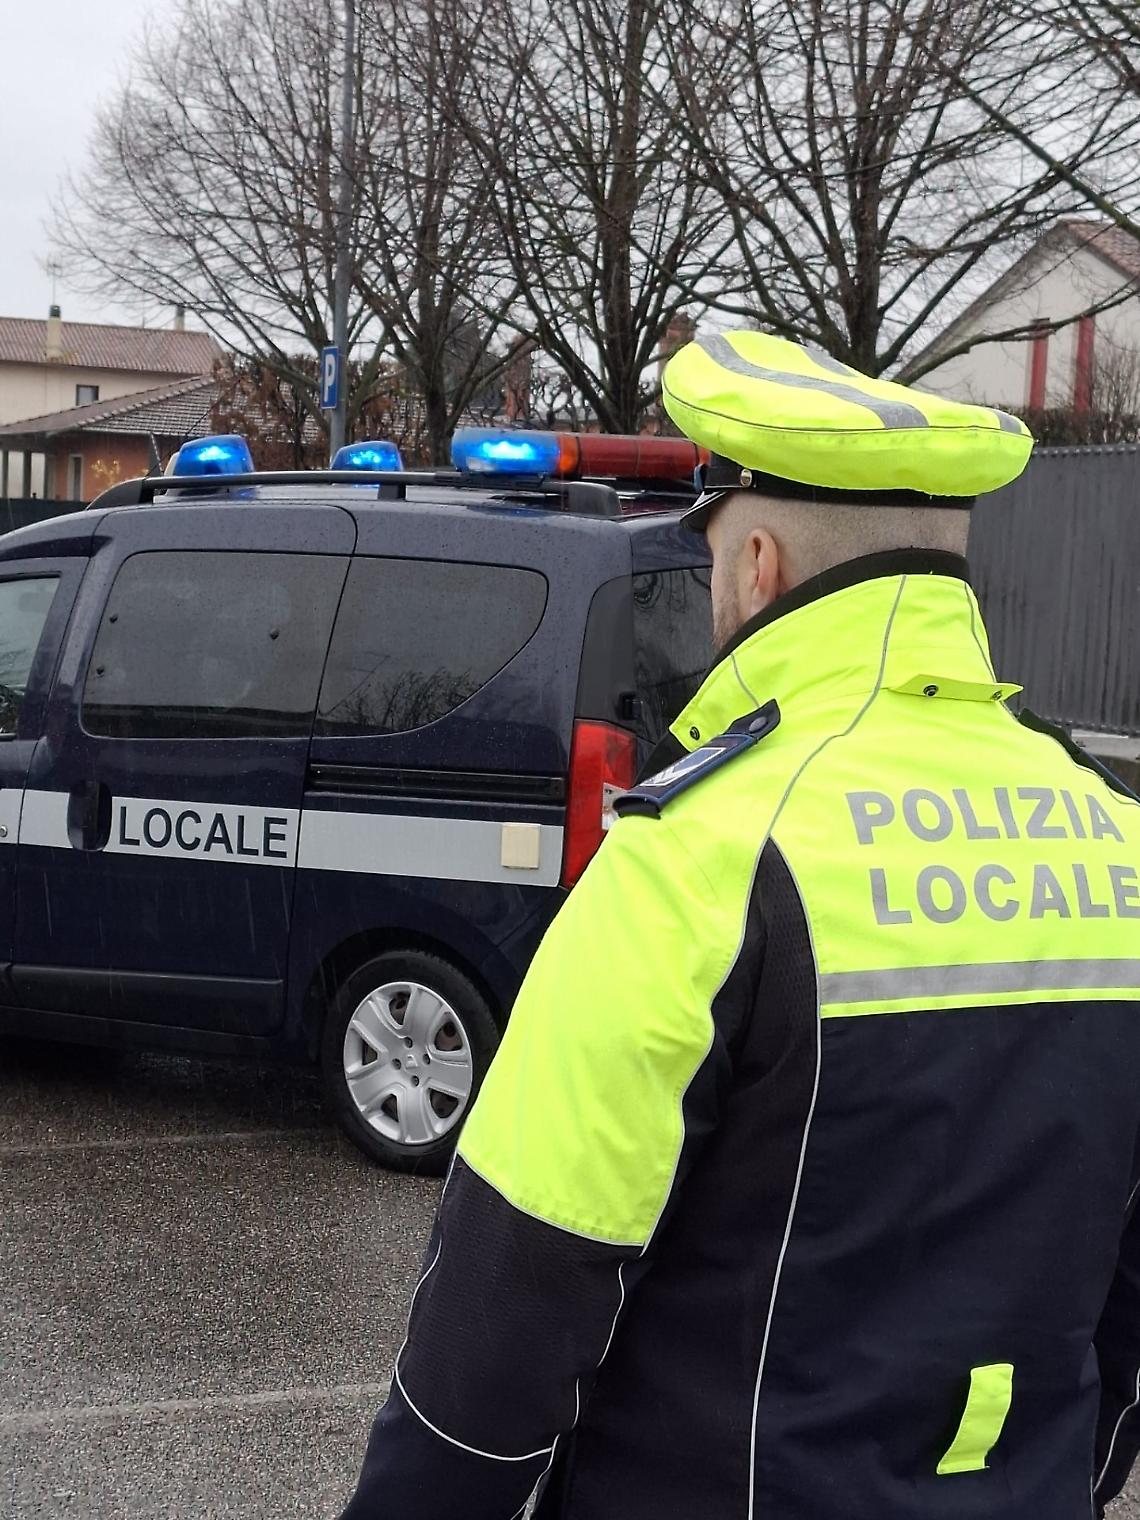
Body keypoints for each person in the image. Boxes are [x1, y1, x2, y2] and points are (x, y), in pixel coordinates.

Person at [340, 332, 1140, 1520]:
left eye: (712, 556)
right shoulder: (1112, 834)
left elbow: (505, 1318)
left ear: (758, 562)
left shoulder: (704, 853)